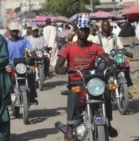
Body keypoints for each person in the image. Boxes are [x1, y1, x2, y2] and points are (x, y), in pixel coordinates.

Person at [55, 13, 118, 141]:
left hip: (91, 82)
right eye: (81, 29)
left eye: (85, 29)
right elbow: (58, 65)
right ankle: (70, 127)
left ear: (89, 30)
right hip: (76, 82)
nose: (83, 32)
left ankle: (108, 123)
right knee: (73, 92)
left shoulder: (94, 47)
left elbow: (106, 58)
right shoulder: (69, 48)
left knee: (106, 89)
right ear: (76, 30)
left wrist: (115, 63)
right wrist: (61, 69)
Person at [93, 20, 133, 89]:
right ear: (101, 27)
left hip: (114, 57)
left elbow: (121, 47)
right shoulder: (97, 38)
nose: (107, 27)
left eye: (108, 25)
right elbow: (95, 50)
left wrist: (126, 52)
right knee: (101, 67)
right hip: (102, 58)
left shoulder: (114, 36)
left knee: (125, 64)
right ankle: (102, 85)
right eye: (105, 25)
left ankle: (126, 85)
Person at [6, 21, 38, 104]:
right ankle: (6, 97)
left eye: (16, 31)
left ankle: (32, 96)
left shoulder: (24, 40)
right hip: (10, 64)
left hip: (22, 64)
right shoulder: (6, 42)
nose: (15, 32)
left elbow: (31, 50)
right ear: (9, 31)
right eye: (13, 31)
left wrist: (33, 55)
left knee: (31, 74)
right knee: (5, 77)